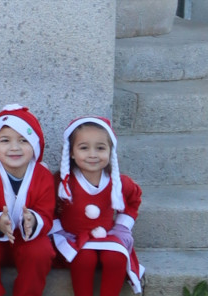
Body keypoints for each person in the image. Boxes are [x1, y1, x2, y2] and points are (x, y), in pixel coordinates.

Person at [0, 105, 56, 296]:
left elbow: (46, 213)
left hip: (27, 237)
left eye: (24, 140)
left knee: (41, 251)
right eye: (5, 140)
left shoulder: (43, 176)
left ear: (34, 146)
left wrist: (33, 220)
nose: (15, 147)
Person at [52, 118, 145, 296]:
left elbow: (134, 199)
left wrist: (122, 225)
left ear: (111, 151)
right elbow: (49, 208)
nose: (92, 154)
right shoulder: (63, 182)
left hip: (108, 235)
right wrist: (58, 230)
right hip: (74, 237)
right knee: (84, 258)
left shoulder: (118, 182)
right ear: (71, 152)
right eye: (84, 148)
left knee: (116, 257)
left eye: (100, 148)